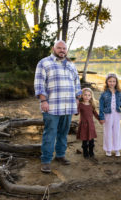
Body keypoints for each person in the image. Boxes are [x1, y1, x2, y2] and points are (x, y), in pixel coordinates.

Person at [34, 40, 82, 173]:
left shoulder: (71, 66)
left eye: (64, 48)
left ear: (67, 50)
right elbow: (39, 84)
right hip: (52, 106)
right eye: (59, 48)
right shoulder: (44, 63)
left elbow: (77, 83)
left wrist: (78, 99)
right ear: (53, 49)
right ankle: (46, 160)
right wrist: (43, 101)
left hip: (68, 106)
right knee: (50, 134)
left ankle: (60, 155)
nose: (62, 50)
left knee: (63, 133)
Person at [99, 73, 121, 157]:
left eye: (114, 81)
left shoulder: (119, 93)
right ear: (107, 82)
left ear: (116, 82)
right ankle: (108, 149)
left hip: (116, 114)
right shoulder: (104, 94)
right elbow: (101, 106)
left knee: (116, 131)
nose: (112, 83)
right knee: (108, 132)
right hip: (107, 115)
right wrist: (101, 117)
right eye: (110, 81)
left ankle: (117, 149)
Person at [77, 88, 102, 158]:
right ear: (82, 95)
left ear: (91, 96)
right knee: (84, 140)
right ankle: (85, 152)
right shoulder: (80, 105)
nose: (87, 97)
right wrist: (77, 102)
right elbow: (76, 113)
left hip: (91, 125)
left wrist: (100, 119)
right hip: (83, 125)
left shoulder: (91, 105)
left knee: (91, 140)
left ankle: (91, 151)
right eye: (85, 95)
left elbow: (95, 113)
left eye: (89, 95)